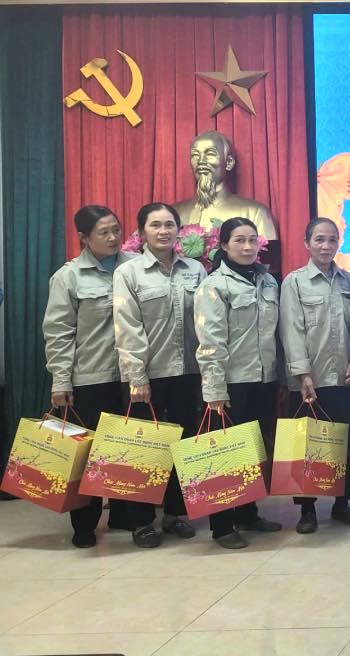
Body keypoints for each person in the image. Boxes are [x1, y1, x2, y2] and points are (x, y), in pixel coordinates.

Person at [43, 205, 140, 548]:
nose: (113, 237)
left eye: (116, 229)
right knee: (88, 454)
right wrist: (61, 381)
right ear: (83, 238)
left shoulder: (136, 266)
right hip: (90, 376)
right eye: (104, 232)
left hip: (132, 376)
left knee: (127, 450)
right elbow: (58, 333)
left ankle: (126, 515)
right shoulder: (68, 277)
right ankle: (84, 524)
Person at [112, 202, 207, 545]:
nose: (164, 231)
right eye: (156, 225)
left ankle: (175, 514)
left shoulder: (196, 270)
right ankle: (141, 521)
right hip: (146, 376)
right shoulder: (129, 273)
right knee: (145, 450)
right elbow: (128, 327)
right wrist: (137, 377)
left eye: (170, 224)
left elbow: (207, 323)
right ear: (141, 233)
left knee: (182, 446)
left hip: (189, 373)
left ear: (179, 230)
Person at [193, 217, 283, 549]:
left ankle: (247, 512)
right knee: (227, 456)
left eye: (252, 240)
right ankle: (222, 525)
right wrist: (214, 391)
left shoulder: (268, 282)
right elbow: (210, 342)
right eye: (239, 241)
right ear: (224, 245)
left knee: (255, 451)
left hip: (264, 379)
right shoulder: (214, 286)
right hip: (231, 385)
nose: (247, 247)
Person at [279, 217, 350, 534]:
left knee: (344, 444)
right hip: (309, 381)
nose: (326, 246)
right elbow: (291, 330)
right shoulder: (295, 282)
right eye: (319, 239)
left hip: (342, 377)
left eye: (332, 240)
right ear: (307, 243)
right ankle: (307, 509)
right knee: (308, 447)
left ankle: (342, 504)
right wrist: (302, 374)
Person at [172, 131, 278, 240]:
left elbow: (268, 256)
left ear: (229, 162)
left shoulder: (255, 213)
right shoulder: (174, 213)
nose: (201, 161)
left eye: (210, 154)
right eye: (195, 155)